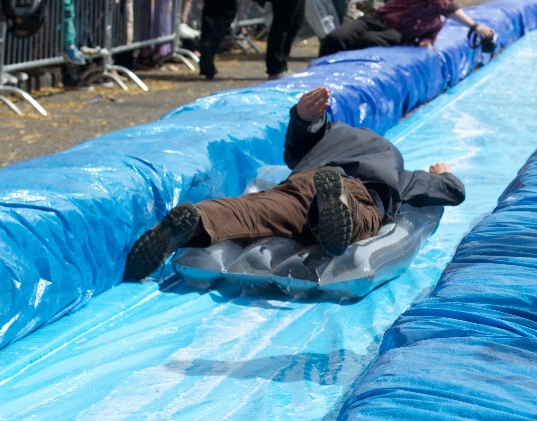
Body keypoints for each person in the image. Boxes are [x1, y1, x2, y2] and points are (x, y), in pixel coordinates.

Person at [124, 86, 466, 280]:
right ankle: (336, 218)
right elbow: (451, 193)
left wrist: (301, 116)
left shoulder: (329, 136)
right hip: (355, 189)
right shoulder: (392, 165)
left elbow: (295, 148)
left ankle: (198, 221)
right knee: (363, 215)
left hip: (301, 183)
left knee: (252, 211)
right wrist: (444, 174)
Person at [318, 0, 494, 56]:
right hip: (376, 19)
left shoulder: (447, 12)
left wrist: (427, 41)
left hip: (398, 33)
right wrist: (475, 26)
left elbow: (432, 34)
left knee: (367, 41)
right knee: (335, 38)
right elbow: (442, 4)